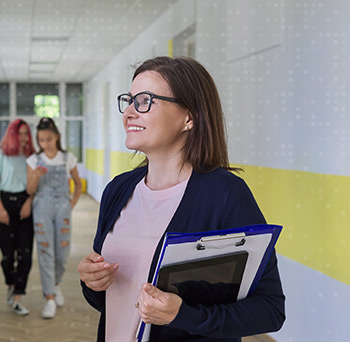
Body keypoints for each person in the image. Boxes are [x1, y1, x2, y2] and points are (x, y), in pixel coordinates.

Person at [77, 56, 285, 341]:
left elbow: (270, 309)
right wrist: (93, 283)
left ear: (189, 117)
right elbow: (113, 304)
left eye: (145, 100)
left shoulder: (225, 195)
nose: (129, 113)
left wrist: (184, 316)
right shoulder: (118, 189)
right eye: (129, 100)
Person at [26, 117, 82, 319]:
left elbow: (77, 182)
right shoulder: (33, 160)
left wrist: (73, 201)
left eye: (48, 139)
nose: (45, 144)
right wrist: (36, 176)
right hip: (41, 207)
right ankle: (49, 297)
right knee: (45, 251)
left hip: (63, 209)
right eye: (41, 140)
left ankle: (56, 284)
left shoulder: (68, 158)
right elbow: (29, 189)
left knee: (63, 252)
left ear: (56, 137)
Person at [0, 119, 37, 316]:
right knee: (7, 257)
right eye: (22, 134)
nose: (25, 138)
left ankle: (18, 296)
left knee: (25, 255)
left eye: (27, 133)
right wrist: (0, 208)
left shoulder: (32, 156)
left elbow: (35, 184)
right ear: (13, 134)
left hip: (25, 204)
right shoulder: (1, 154)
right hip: (5, 204)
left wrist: (29, 201)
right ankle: (11, 283)